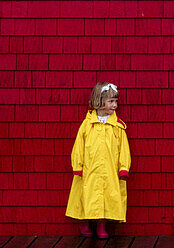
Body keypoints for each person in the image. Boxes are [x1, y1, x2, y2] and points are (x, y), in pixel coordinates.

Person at [65, 81, 131, 238]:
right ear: (99, 101)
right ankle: (84, 222)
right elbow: (78, 146)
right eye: (111, 101)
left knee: (106, 197)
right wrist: (78, 165)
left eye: (115, 101)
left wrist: (123, 167)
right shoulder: (88, 124)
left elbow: (124, 150)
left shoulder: (117, 127)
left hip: (109, 170)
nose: (114, 105)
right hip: (89, 169)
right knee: (85, 195)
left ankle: (102, 226)